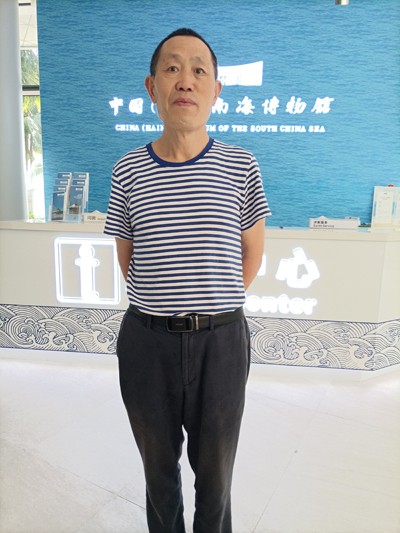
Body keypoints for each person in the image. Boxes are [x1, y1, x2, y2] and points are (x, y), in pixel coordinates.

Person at [104, 28, 271, 533]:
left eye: (199, 70)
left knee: (216, 478)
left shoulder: (241, 165)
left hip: (221, 343)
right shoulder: (127, 170)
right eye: (172, 68)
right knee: (158, 473)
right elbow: (129, 259)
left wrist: (210, 305)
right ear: (152, 86)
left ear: (215, 90)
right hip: (147, 343)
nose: (186, 80)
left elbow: (251, 254)